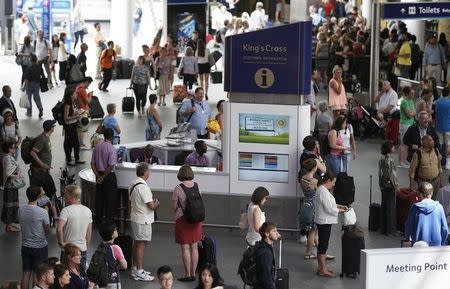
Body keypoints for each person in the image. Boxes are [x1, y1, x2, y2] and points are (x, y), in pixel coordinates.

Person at [129, 162, 161, 281]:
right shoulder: (143, 187)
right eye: (148, 171)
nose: (149, 173)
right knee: (141, 245)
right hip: (143, 220)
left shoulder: (133, 183)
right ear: (145, 172)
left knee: (136, 243)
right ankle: (140, 271)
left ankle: (135, 268)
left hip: (136, 217)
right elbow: (151, 206)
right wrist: (157, 203)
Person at [172, 165, 203, 282]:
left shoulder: (178, 188)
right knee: (194, 247)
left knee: (185, 247)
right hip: (196, 220)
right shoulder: (197, 186)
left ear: (180, 174)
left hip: (183, 219)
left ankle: (187, 274)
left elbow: (174, 207)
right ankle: (194, 273)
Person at [314, 171, 347, 277]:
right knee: (323, 246)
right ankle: (323, 270)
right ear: (328, 180)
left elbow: (330, 204)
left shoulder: (322, 190)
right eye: (333, 182)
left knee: (322, 245)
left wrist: (339, 206)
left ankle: (321, 268)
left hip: (324, 221)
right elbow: (329, 209)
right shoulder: (323, 191)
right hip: (325, 222)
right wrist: (341, 210)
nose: (334, 184)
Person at [18, 186, 51, 289]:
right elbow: (48, 231)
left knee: (26, 273)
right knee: (38, 275)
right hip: (40, 247)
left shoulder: (20, 210)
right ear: (39, 196)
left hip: (25, 246)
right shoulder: (43, 212)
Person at [57, 185, 92, 274]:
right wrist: (86, 245)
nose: (64, 197)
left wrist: (61, 243)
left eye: (66, 195)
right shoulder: (88, 211)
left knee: (65, 274)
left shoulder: (65, 211)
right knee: (81, 273)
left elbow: (59, 229)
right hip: (82, 249)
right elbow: (89, 231)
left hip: (68, 249)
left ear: (71, 196)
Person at [404, 182, 448, 246]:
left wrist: (407, 238)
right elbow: (444, 228)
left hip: (419, 243)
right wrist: (443, 242)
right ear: (432, 193)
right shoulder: (439, 207)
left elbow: (409, 225)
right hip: (436, 243)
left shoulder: (415, 207)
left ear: (420, 194)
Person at [91, 128, 118, 225]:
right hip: (109, 177)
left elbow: (92, 164)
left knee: (99, 199)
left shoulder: (97, 147)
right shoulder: (112, 149)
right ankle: (109, 223)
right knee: (110, 200)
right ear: (112, 137)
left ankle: (98, 221)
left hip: (99, 176)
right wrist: (103, 177)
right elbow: (111, 165)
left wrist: (98, 176)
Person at [30, 120, 57, 199]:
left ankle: (46, 208)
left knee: (49, 191)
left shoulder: (46, 137)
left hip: (44, 171)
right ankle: (45, 209)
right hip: (39, 172)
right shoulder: (42, 139)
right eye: (53, 126)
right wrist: (42, 164)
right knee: (50, 191)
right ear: (51, 128)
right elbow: (32, 152)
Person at [409, 135, 442, 199]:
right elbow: (412, 171)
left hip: (436, 181)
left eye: (432, 140)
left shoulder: (436, 151)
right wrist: (412, 186)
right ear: (425, 143)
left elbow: (439, 167)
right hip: (424, 183)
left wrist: (441, 182)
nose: (433, 142)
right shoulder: (418, 154)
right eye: (430, 140)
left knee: (434, 202)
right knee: (424, 202)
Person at [96, 222, 127, 289]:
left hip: (100, 281)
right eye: (115, 229)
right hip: (112, 281)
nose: (117, 230)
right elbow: (124, 266)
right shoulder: (115, 248)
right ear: (112, 234)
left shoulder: (99, 247)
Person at [299, 159, 319, 259]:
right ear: (314, 168)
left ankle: (320, 251)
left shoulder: (303, 178)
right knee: (312, 231)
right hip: (313, 207)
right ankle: (308, 253)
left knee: (314, 231)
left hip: (305, 204)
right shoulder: (314, 181)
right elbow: (320, 192)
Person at [378, 141, 400, 235]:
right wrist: (396, 185)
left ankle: (383, 227)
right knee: (391, 207)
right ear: (390, 149)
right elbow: (392, 175)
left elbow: (380, 173)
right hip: (390, 185)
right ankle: (391, 229)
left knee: (384, 206)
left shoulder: (381, 160)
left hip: (383, 185)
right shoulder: (390, 160)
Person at [1, 141, 24, 232]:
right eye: (13, 147)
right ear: (9, 149)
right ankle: (9, 226)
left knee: (13, 204)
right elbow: (7, 173)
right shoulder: (7, 158)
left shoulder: (9, 157)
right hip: (10, 185)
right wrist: (17, 176)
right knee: (10, 205)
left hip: (12, 185)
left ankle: (10, 224)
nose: (15, 149)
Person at [254, 222, 281, 289]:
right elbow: (266, 276)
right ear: (267, 234)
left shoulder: (263, 246)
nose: (277, 233)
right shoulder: (265, 252)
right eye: (274, 231)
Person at [62, 87, 83, 166]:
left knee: (76, 143)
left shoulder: (73, 102)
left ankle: (77, 158)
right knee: (69, 143)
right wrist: (76, 117)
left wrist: (78, 113)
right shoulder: (67, 105)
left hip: (73, 125)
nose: (76, 94)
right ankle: (69, 160)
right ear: (71, 95)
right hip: (69, 126)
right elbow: (66, 118)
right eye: (75, 93)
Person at [398, 86, 416, 168]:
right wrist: (413, 112)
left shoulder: (411, 101)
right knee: (404, 143)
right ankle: (401, 162)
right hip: (405, 124)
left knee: (407, 144)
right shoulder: (404, 102)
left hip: (411, 123)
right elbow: (409, 114)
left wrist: (413, 113)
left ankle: (404, 160)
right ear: (407, 93)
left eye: (413, 93)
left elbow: (413, 112)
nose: (413, 95)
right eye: (411, 93)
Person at [24, 53, 44, 118]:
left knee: (29, 99)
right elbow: (42, 75)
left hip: (30, 84)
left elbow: (26, 79)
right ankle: (40, 108)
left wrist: (26, 87)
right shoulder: (39, 67)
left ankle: (29, 112)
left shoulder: (29, 68)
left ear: (31, 60)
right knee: (37, 98)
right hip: (37, 84)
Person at [76, 77, 93, 149]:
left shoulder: (78, 88)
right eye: (89, 84)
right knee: (82, 129)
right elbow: (88, 101)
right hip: (82, 111)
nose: (88, 86)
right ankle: (81, 144)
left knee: (79, 128)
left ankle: (79, 144)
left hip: (79, 110)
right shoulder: (82, 90)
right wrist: (90, 95)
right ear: (86, 82)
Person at [435, 87, 450, 165]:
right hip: (448, 127)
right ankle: (447, 162)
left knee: (439, 144)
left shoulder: (437, 102)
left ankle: (438, 161)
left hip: (438, 126)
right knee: (447, 145)